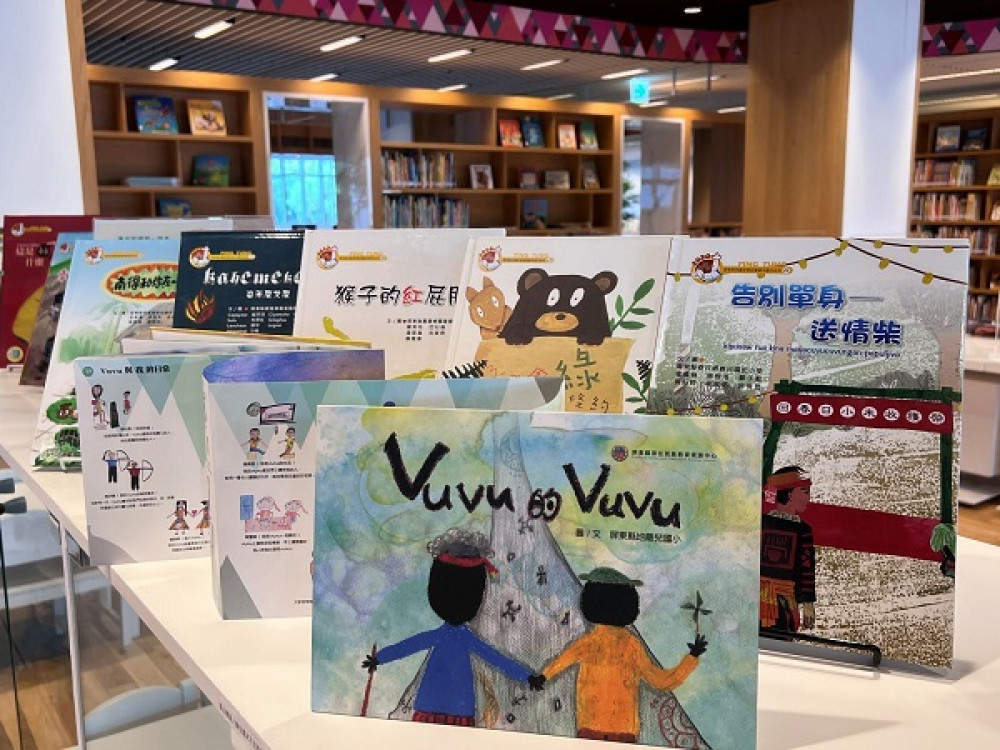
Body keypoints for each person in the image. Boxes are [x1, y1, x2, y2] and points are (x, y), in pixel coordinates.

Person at [361, 528, 542, 726]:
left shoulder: (445, 636)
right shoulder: (463, 638)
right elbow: (495, 658)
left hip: (440, 703)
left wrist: (379, 659)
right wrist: (527, 677)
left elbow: (411, 645)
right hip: (456, 705)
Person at [539, 566, 706, 743]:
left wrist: (542, 677)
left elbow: (561, 662)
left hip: (589, 727)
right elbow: (660, 681)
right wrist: (691, 658)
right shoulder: (631, 645)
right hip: (624, 731)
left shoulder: (590, 642)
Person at [760, 465, 816, 632]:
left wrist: (807, 603)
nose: (808, 498)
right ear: (789, 494)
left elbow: (806, 569)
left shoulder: (803, 530)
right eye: (805, 492)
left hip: (785, 602)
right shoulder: (761, 523)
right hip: (757, 599)